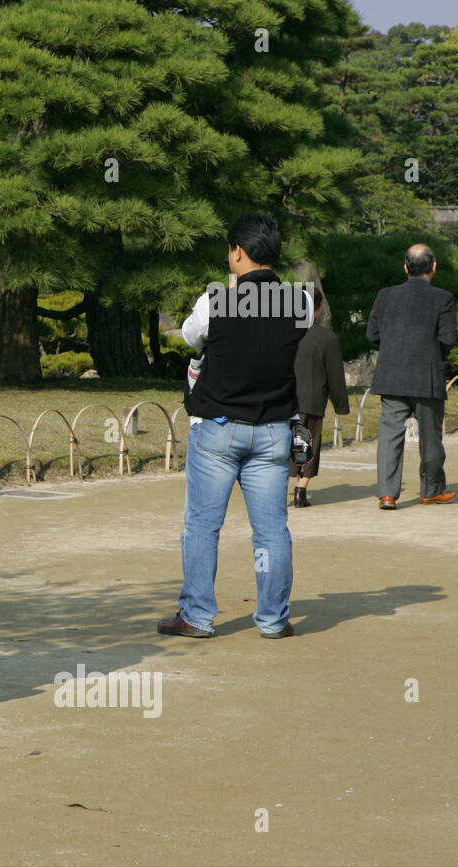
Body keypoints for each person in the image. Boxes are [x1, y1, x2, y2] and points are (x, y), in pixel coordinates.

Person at [159, 213, 312, 640]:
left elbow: (192, 338)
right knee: (271, 530)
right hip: (274, 430)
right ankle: (272, 619)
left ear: (237, 252)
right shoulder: (299, 303)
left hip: (219, 428)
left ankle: (197, 615)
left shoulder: (216, 301)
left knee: (204, 527)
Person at [366, 243, 458, 510]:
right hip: (426, 376)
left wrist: (394, 347)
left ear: (405, 268)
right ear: (434, 267)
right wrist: (431, 352)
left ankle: (387, 494)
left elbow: (372, 335)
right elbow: (449, 338)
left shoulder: (385, 295)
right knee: (431, 437)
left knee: (389, 436)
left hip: (391, 375)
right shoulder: (442, 298)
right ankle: (430, 490)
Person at [290, 261, 350, 507]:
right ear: (318, 308)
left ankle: (273, 492)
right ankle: (300, 492)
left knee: (283, 447)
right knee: (306, 445)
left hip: (283, 400)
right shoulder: (326, 338)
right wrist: (341, 405)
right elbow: (335, 375)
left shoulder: (283, 333)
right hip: (312, 401)